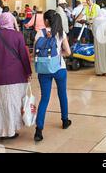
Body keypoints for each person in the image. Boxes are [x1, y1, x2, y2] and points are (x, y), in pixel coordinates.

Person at [0, 13, 32, 140]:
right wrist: (28, 72)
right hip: (16, 75)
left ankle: (1, 130)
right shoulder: (17, 35)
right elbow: (24, 56)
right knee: (13, 104)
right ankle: (11, 130)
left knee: (0, 104)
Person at [34, 10, 72, 142]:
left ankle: (39, 130)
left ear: (46, 21)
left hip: (44, 70)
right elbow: (68, 52)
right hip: (59, 68)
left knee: (44, 98)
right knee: (62, 94)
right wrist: (59, 54)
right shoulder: (61, 33)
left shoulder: (40, 33)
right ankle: (65, 120)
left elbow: (35, 52)